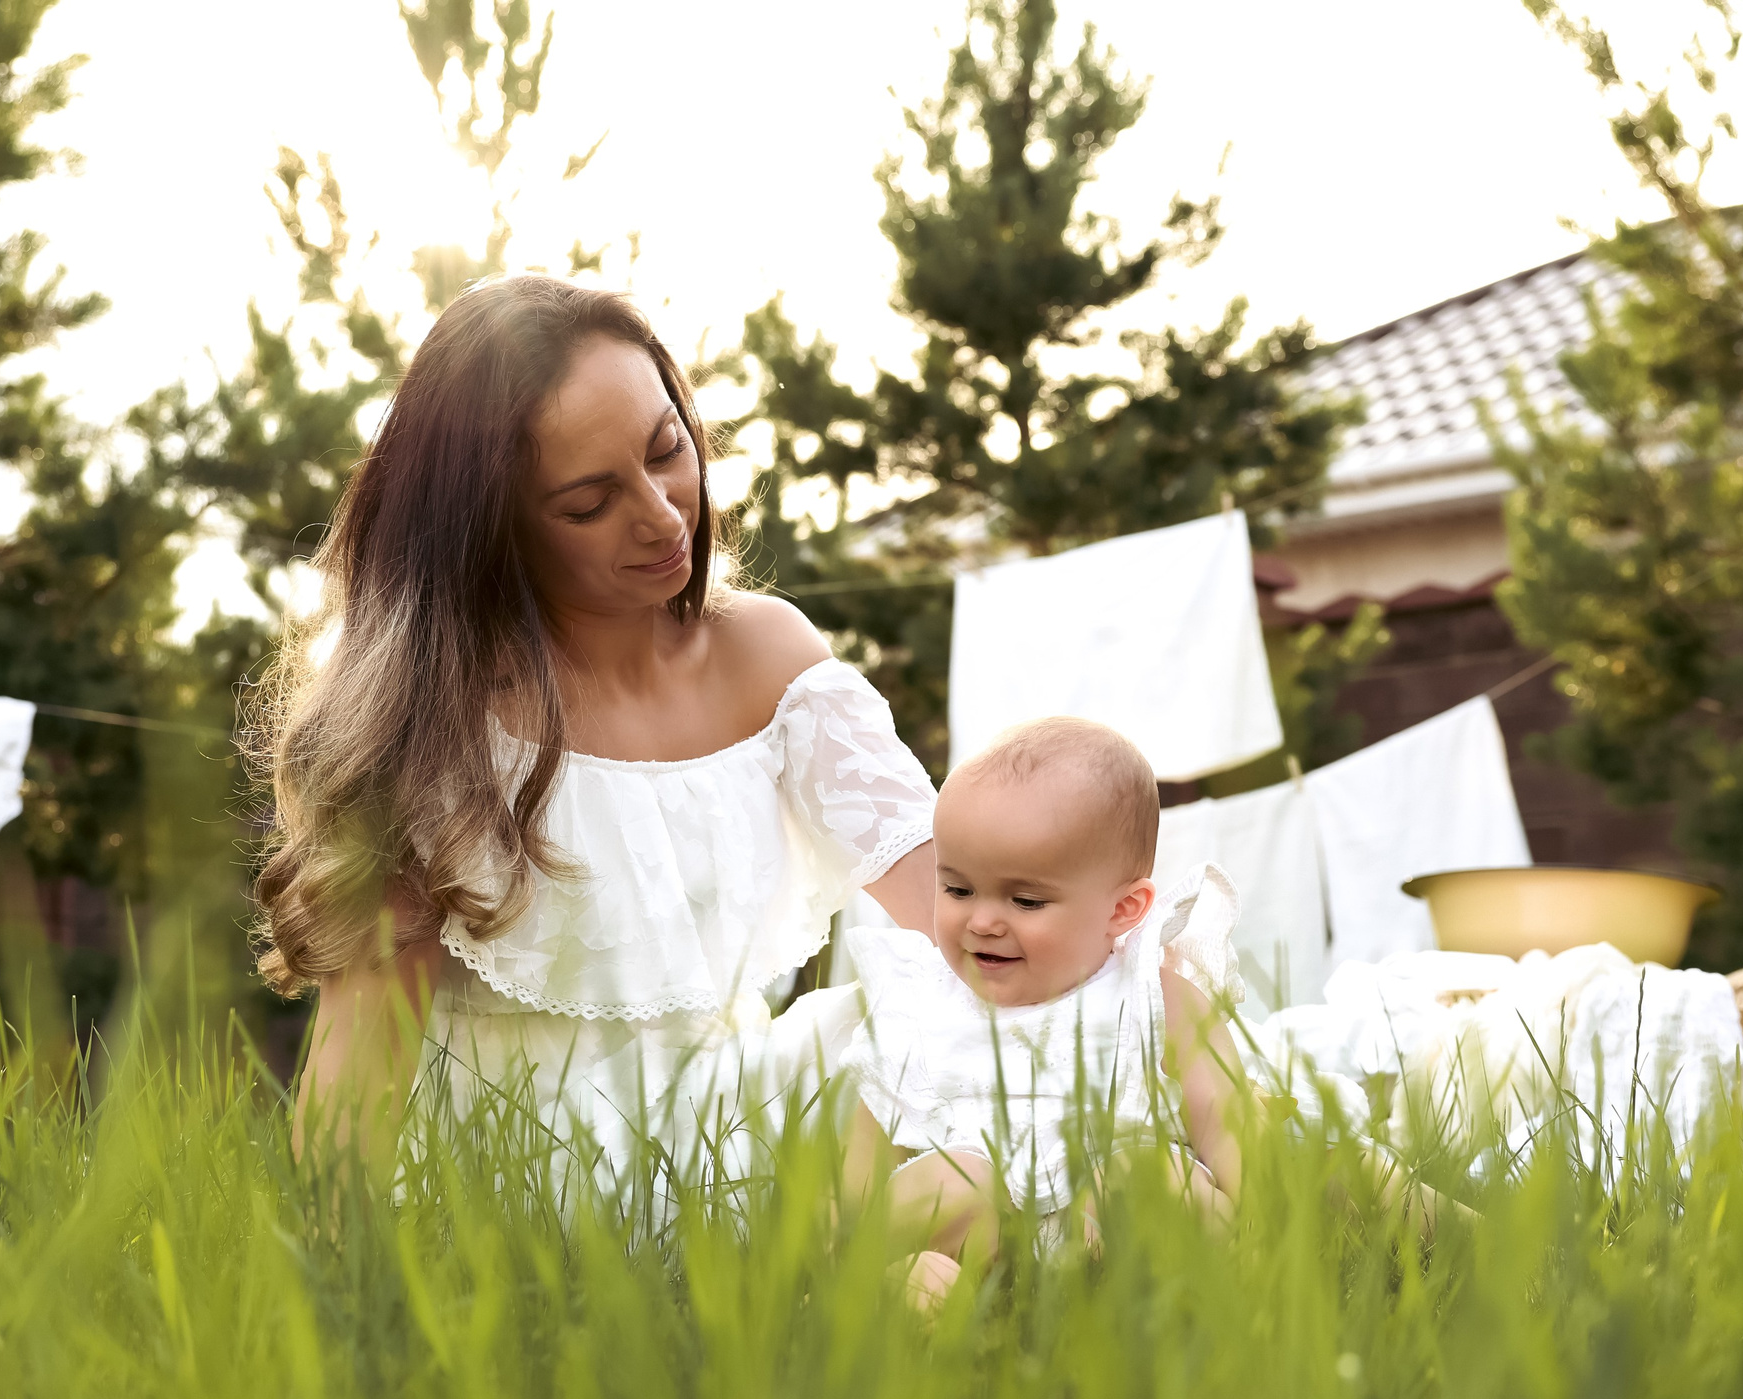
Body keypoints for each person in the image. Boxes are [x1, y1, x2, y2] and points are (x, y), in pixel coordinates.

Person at [254, 275, 937, 1194]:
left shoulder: (772, 658)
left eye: (668, 450)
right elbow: (355, 1087)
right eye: (588, 503)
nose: (662, 516)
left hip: (733, 1128)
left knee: (946, 1017)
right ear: (492, 531)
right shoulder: (433, 731)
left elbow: (972, 907)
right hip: (529, 1175)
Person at [839, 718, 1245, 1304]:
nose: (981, 921)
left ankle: (1165, 1287)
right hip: (971, 1241)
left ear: (1124, 909)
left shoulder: (1158, 999)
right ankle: (908, 1295)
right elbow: (860, 1173)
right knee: (954, 1181)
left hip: (1111, 1233)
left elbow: (1228, 1129)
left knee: (1146, 1175)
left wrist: (1257, 1228)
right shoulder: (917, 1009)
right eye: (956, 890)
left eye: (1025, 900)